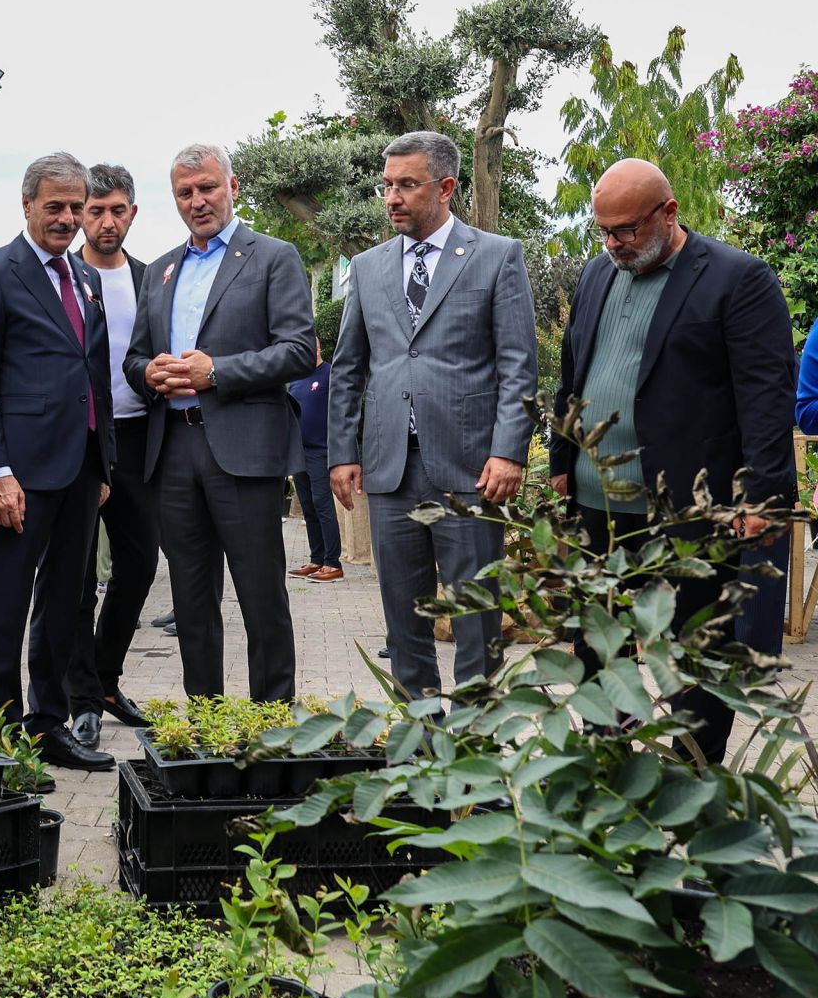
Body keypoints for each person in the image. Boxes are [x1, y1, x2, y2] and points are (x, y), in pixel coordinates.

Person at [551, 158, 796, 764]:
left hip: (690, 511)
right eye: (604, 231)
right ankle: (610, 768)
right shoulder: (595, 276)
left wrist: (761, 499)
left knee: (695, 653)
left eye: (628, 230)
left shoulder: (738, 279)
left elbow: (766, 398)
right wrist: (562, 456)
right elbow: (572, 373)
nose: (614, 244)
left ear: (669, 212)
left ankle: (691, 778)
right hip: (596, 507)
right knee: (598, 651)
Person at [328, 131, 538, 699]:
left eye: (407, 185)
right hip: (391, 470)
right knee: (404, 619)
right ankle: (419, 751)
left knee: (476, 620)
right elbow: (349, 368)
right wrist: (343, 453)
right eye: (387, 185)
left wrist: (508, 451)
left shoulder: (497, 256)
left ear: (445, 187)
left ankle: (475, 754)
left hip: (472, 471)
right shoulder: (367, 268)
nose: (392, 197)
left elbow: (519, 366)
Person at [124, 143, 315, 702]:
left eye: (207, 188)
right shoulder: (159, 269)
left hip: (244, 451)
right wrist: (150, 373)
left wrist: (218, 372)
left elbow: (300, 349)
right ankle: (205, 721)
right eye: (185, 192)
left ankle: (274, 726)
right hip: (173, 452)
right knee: (190, 599)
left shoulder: (274, 256)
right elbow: (134, 358)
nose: (197, 200)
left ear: (233, 188)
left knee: (261, 596)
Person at [0, 152, 115, 772]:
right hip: (18, 476)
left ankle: (48, 725)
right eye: (55, 206)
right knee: (3, 607)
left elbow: (94, 375)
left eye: (76, 206)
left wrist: (103, 465)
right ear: (26, 205)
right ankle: (1, 747)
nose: (69, 218)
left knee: (62, 607)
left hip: (79, 469)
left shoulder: (86, 279)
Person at [64, 164, 157, 750]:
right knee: (75, 575)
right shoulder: (59, 273)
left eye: (116, 210)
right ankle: (80, 699)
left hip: (140, 436)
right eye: (95, 210)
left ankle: (105, 678)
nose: (105, 221)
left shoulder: (154, 277)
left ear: (132, 213)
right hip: (76, 440)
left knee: (141, 564)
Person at [287, 339, 343, 583]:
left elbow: (341, 411)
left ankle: (333, 563)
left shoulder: (330, 374)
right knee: (308, 507)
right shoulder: (296, 380)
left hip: (321, 451)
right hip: (299, 452)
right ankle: (317, 558)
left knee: (323, 505)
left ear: (318, 348)